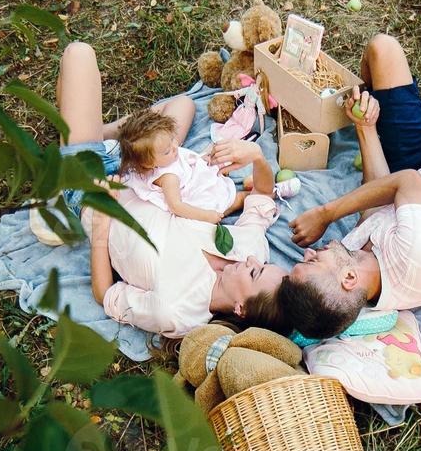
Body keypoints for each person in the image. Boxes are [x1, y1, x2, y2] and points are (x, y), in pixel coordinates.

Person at [276, 4, 421, 339]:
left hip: (420, 172)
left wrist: (365, 128)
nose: (310, 252)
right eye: (312, 262)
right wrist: (325, 213)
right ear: (347, 281)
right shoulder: (416, 257)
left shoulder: (363, 271)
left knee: (380, 49)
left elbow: (377, 200)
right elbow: (406, 182)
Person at [55, 41, 286, 336]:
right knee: (184, 105)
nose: (253, 260)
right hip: (152, 164)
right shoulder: (250, 249)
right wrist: (255, 156)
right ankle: (106, 134)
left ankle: (90, 139)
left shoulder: (176, 311)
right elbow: (262, 197)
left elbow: (105, 294)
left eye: (255, 272)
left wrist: (101, 222)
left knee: (78, 54)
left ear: (241, 307)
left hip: (95, 181)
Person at [116, 107, 250, 225]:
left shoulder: (165, 157)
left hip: (193, 177)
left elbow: (182, 160)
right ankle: (252, 197)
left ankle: (249, 192)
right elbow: (176, 206)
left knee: (217, 175)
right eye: (167, 150)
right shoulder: (169, 177)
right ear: (148, 163)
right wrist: (207, 216)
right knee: (233, 200)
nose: (175, 147)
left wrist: (200, 160)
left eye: (172, 139)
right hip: (200, 201)